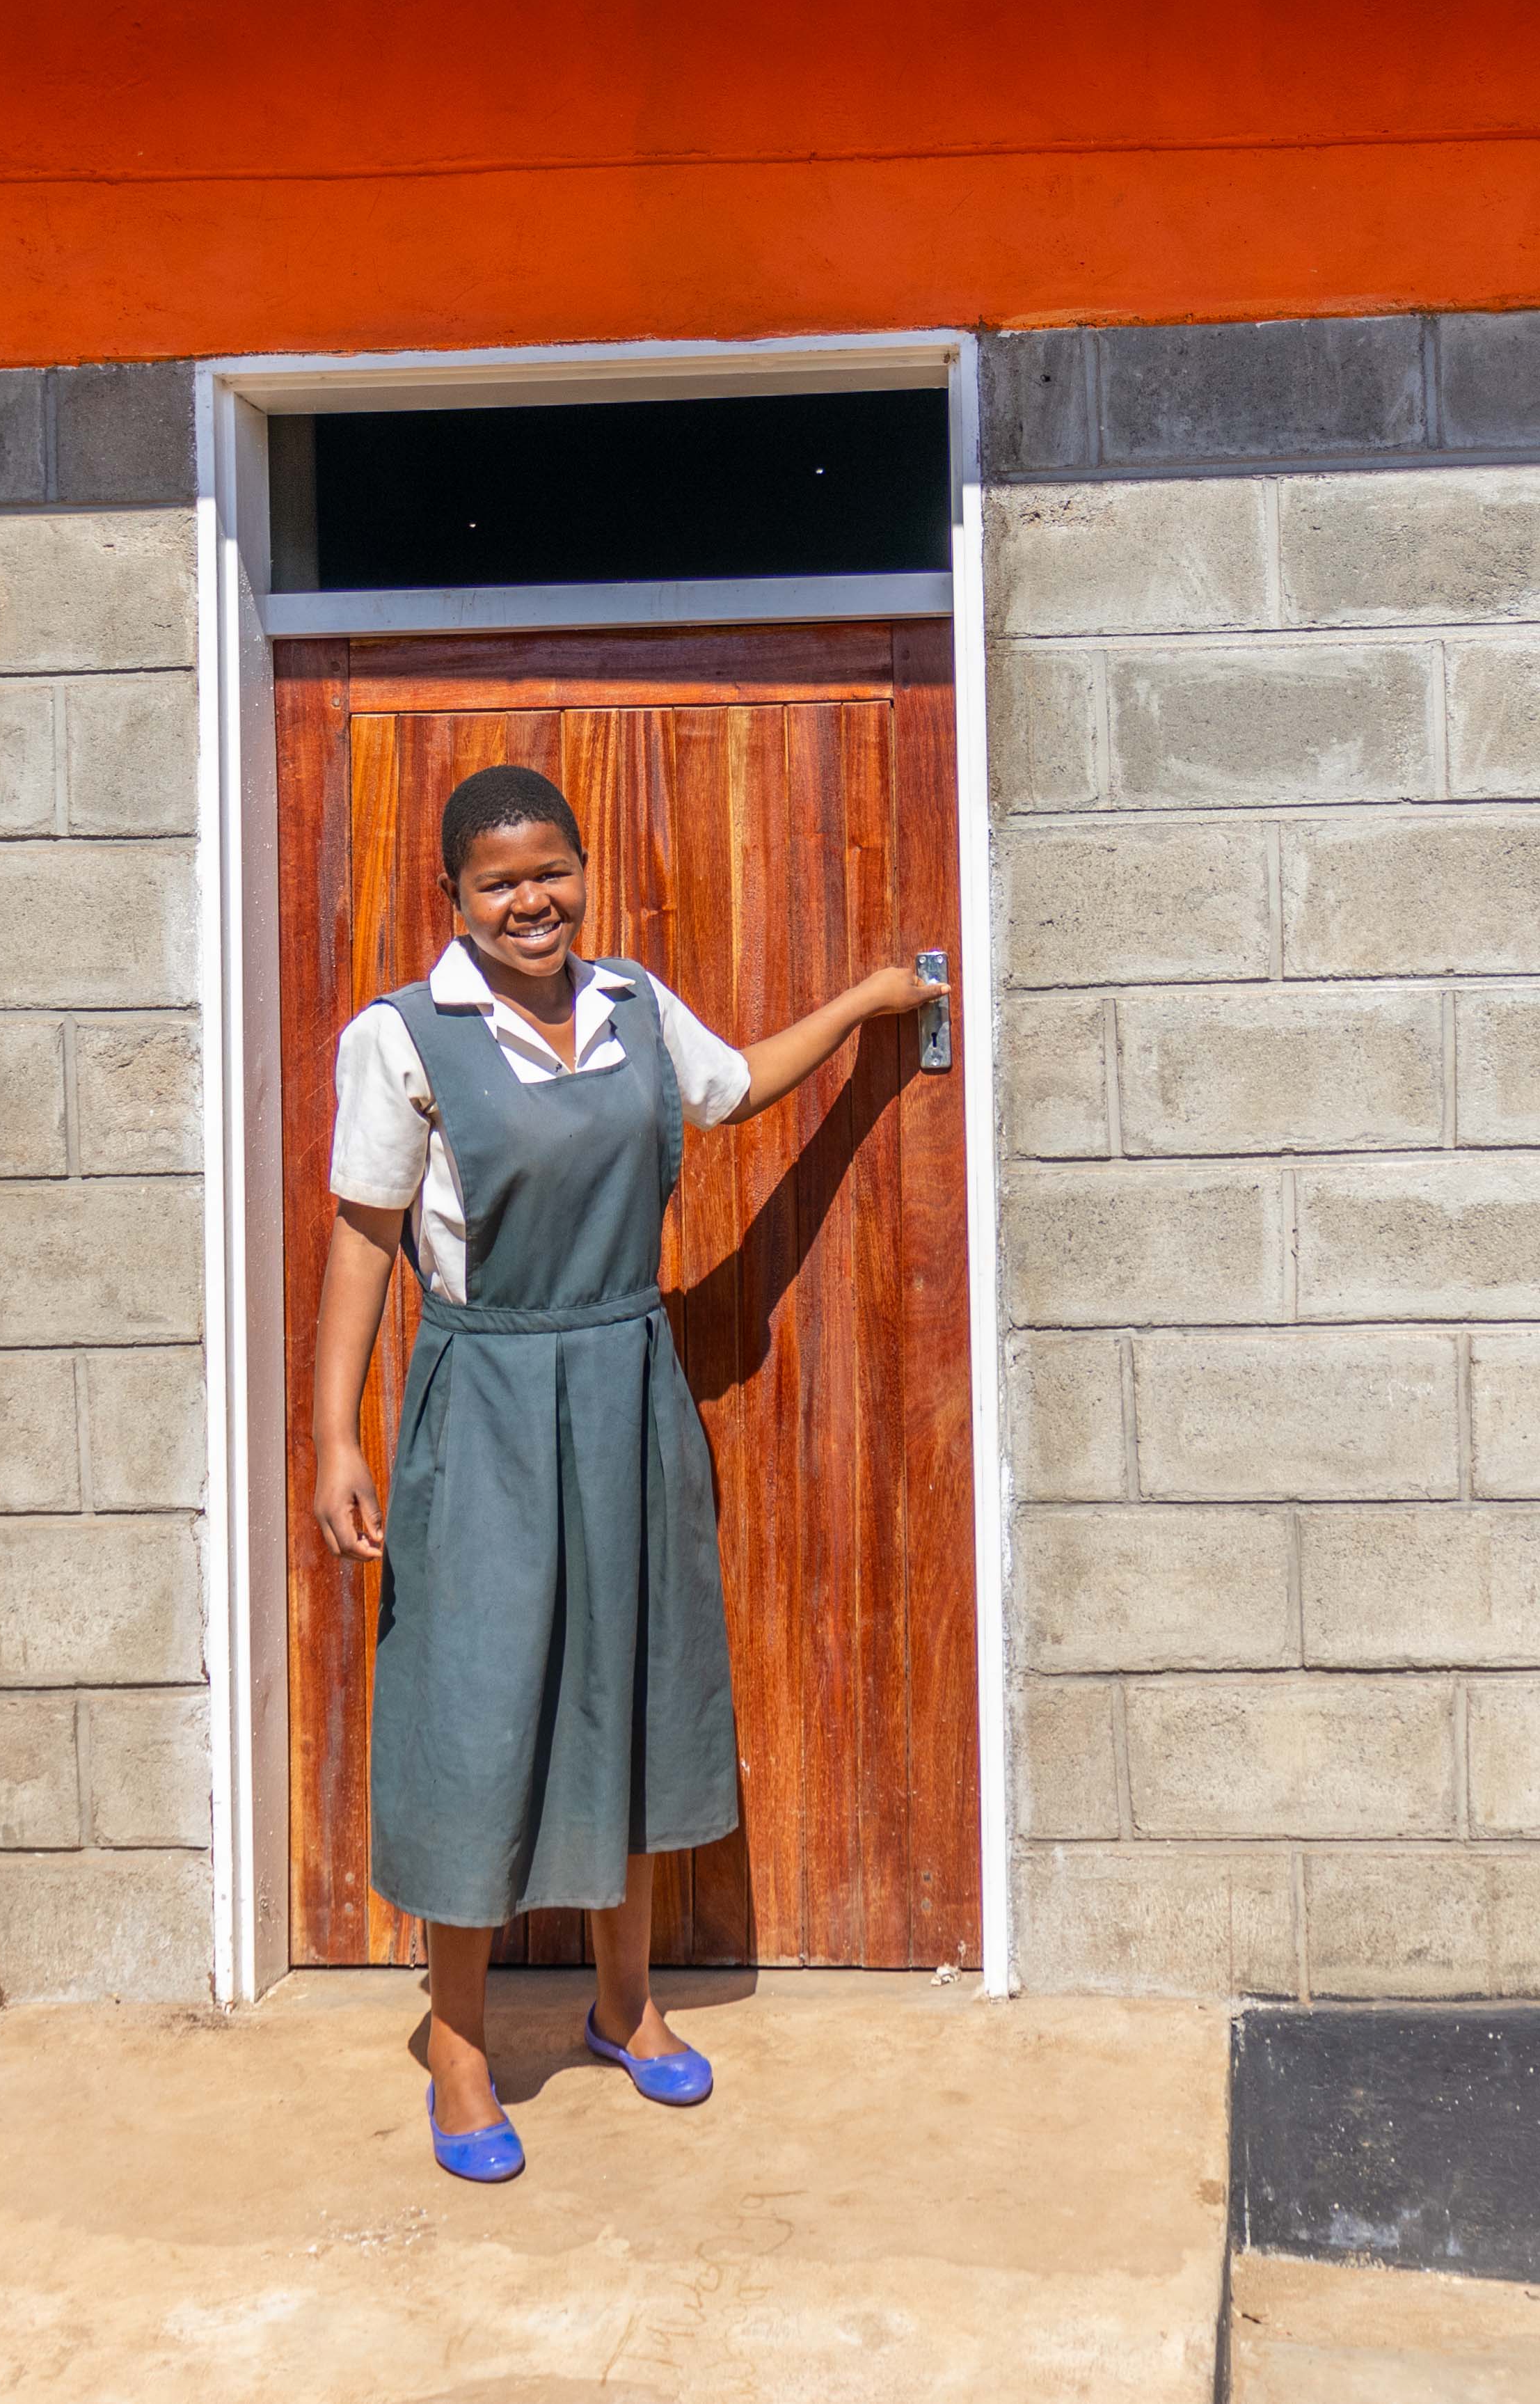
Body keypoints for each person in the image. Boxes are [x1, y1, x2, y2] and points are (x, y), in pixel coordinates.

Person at [309, 762, 935, 2183]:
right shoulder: (404, 1038)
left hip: (629, 1383)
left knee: (631, 1694)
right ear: (455, 900)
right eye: (498, 881)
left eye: (552, 871)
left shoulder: (636, 1010)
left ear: (583, 871)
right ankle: (460, 2053)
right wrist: (333, 1432)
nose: (531, 900)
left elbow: (736, 1090)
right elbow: (362, 1235)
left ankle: (623, 2004)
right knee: (476, 1715)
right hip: (482, 1393)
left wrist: (860, 1009)